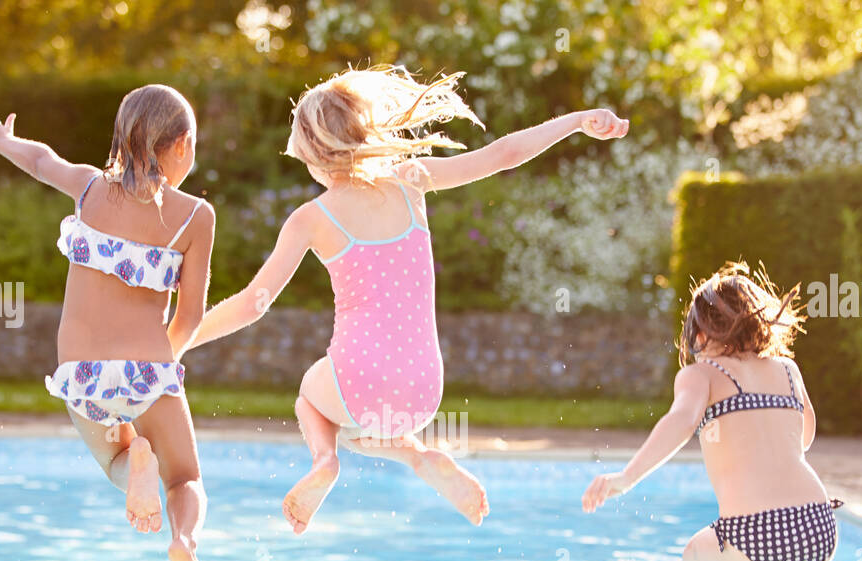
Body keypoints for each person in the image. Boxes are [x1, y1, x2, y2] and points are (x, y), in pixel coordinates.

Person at [180, 66, 628, 534]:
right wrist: (577, 120)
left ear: (314, 156)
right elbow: (504, 155)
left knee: (312, 404)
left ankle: (324, 462)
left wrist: (183, 337)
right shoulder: (412, 180)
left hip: (356, 380)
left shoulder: (310, 218)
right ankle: (419, 455)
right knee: (365, 429)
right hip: (424, 390)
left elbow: (255, 303)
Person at [0, 86, 219, 561]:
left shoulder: (90, 189)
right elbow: (189, 317)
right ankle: (183, 544)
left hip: (80, 376)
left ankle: (134, 462)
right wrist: (155, 372)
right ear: (183, 145)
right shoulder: (195, 216)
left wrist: (0, 139)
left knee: (116, 462)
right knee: (185, 480)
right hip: (147, 371)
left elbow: (39, 159)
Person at [582, 262, 858, 561]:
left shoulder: (702, 375)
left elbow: (679, 422)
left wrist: (625, 477)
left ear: (703, 331)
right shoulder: (788, 370)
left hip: (757, 534)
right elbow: (804, 436)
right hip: (817, 528)